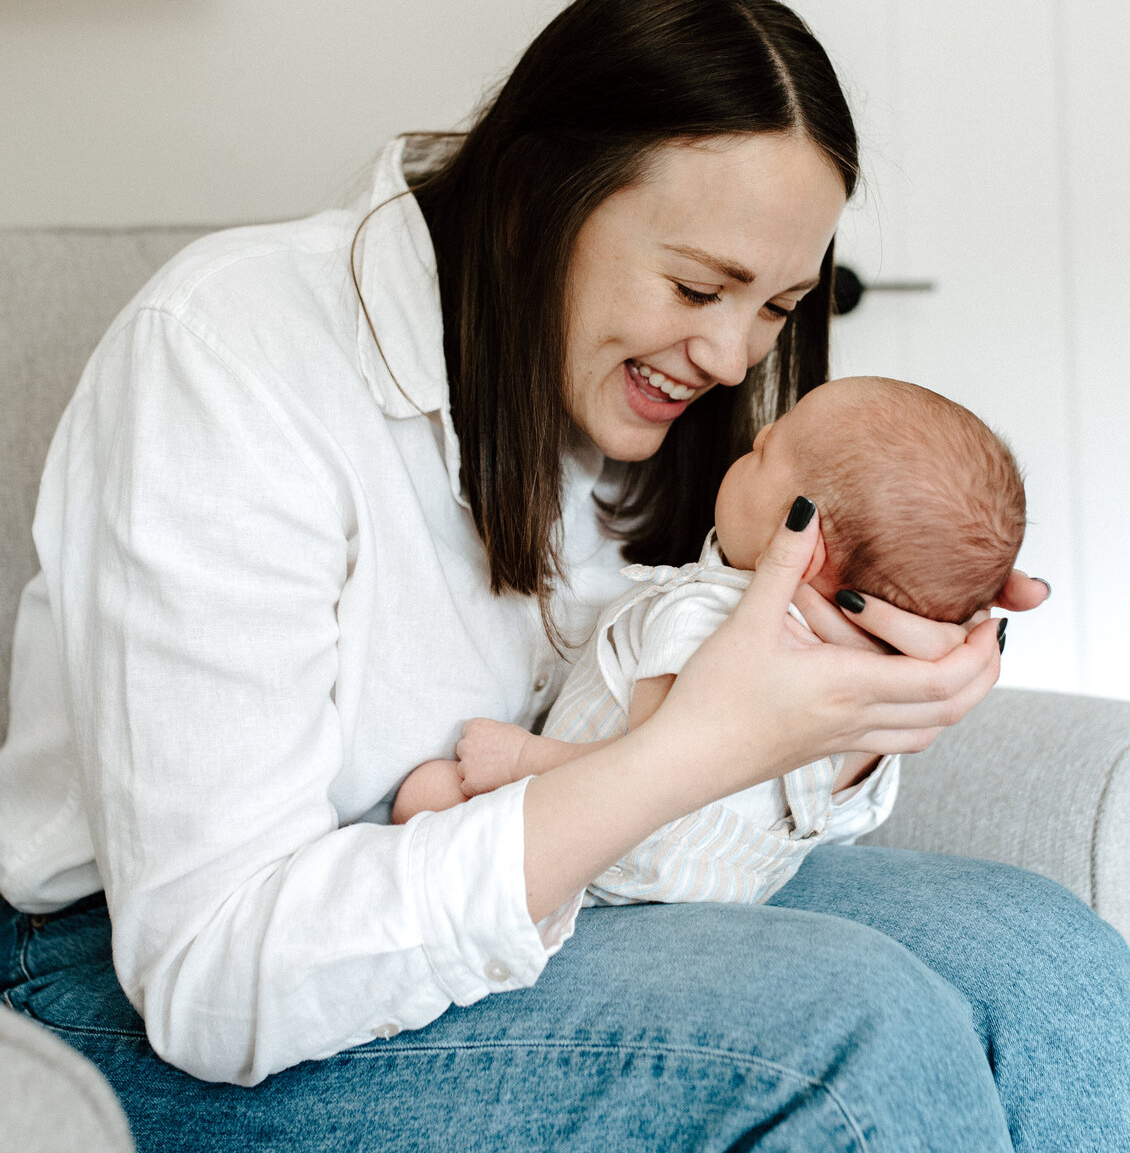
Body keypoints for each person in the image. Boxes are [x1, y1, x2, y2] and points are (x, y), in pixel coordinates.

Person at [0, 0, 1130, 1153]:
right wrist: (693, 750)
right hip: (135, 998)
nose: (733, 355)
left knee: (1049, 973)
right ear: (540, 194)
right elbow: (215, 968)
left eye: (775, 303)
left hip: (536, 888)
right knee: (847, 1048)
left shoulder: (648, 405)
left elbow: (660, 738)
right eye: (698, 286)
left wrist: (853, 686)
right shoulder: (234, 350)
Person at [390, 375, 1026, 915]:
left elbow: (643, 768)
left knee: (428, 792)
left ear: (800, 538)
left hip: (615, 852)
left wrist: (519, 758)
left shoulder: (702, 615)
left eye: (761, 453)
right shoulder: (843, 671)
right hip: (730, 880)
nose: (745, 449)